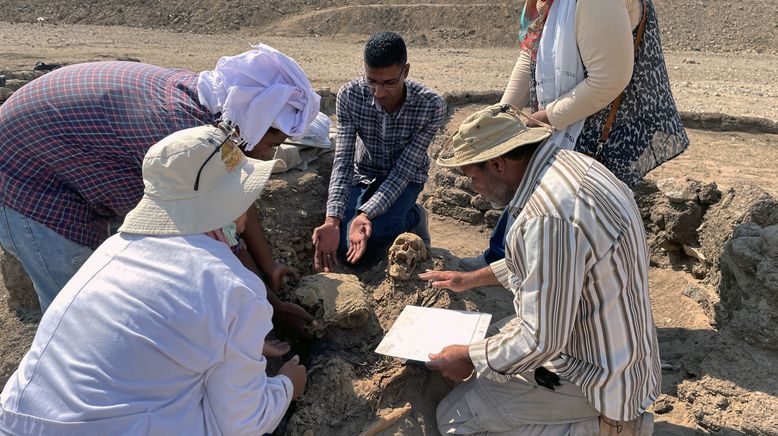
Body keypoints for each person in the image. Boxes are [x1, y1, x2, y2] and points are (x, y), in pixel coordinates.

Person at [0, 125, 305, 435]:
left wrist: (232, 343)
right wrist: (286, 386)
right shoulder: (234, 287)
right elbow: (243, 422)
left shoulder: (116, 250)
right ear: (230, 204)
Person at [0, 44, 319, 333]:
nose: (269, 155)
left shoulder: (221, 106)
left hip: (61, 155)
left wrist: (269, 267)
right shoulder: (183, 136)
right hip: (27, 178)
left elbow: (232, 195)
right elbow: (215, 237)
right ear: (257, 119)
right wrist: (264, 311)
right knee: (78, 315)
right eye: (272, 142)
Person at [421, 104, 660, 434]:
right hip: (617, 353)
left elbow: (540, 339)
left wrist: (468, 357)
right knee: (495, 341)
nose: (473, 187)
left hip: (598, 377)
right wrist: (469, 279)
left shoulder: (546, 218)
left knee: (454, 417)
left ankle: (608, 427)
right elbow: (544, 264)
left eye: (472, 176)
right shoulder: (569, 166)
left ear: (498, 163)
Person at [460, 0, 688, 271]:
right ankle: (508, 261)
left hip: (600, 131)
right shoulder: (545, 2)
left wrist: (544, 118)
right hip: (566, 120)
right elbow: (530, 55)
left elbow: (609, 79)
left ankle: (554, 280)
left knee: (571, 216)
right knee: (536, 190)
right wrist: (501, 114)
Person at [311, 31, 447, 271]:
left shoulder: (430, 106)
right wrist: (332, 219)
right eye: (371, 81)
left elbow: (403, 172)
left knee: (376, 234)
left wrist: (364, 214)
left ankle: (413, 217)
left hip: (405, 179)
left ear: (405, 71)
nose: (379, 92)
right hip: (364, 172)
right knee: (345, 247)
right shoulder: (350, 95)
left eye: (389, 83)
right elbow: (343, 160)